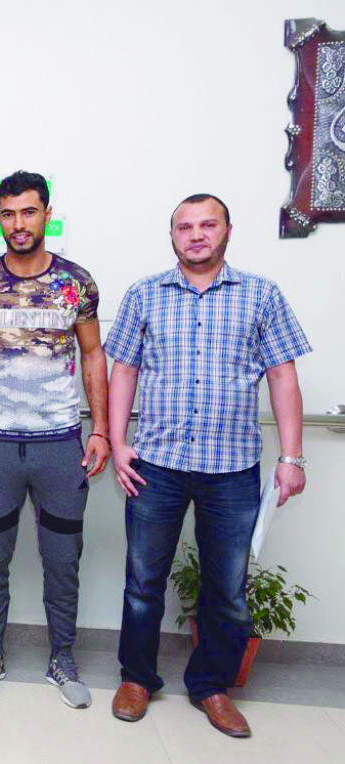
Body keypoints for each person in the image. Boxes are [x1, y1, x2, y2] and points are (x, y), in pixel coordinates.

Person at [106, 193, 310, 738]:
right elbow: (123, 371)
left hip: (232, 469)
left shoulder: (262, 294)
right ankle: (137, 679)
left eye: (207, 225)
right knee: (143, 582)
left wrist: (291, 457)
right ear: (171, 235)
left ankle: (211, 686)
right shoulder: (144, 294)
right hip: (156, 465)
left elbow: (283, 376)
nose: (196, 235)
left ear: (227, 231)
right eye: (185, 227)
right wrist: (119, 442)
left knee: (227, 589)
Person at [0, 170, 110, 708]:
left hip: (59, 445)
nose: (18, 223)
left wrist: (100, 429)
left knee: (63, 561)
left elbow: (93, 354)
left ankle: (62, 657)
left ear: (46, 214)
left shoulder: (76, 283)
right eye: (8, 213)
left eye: (29, 212)